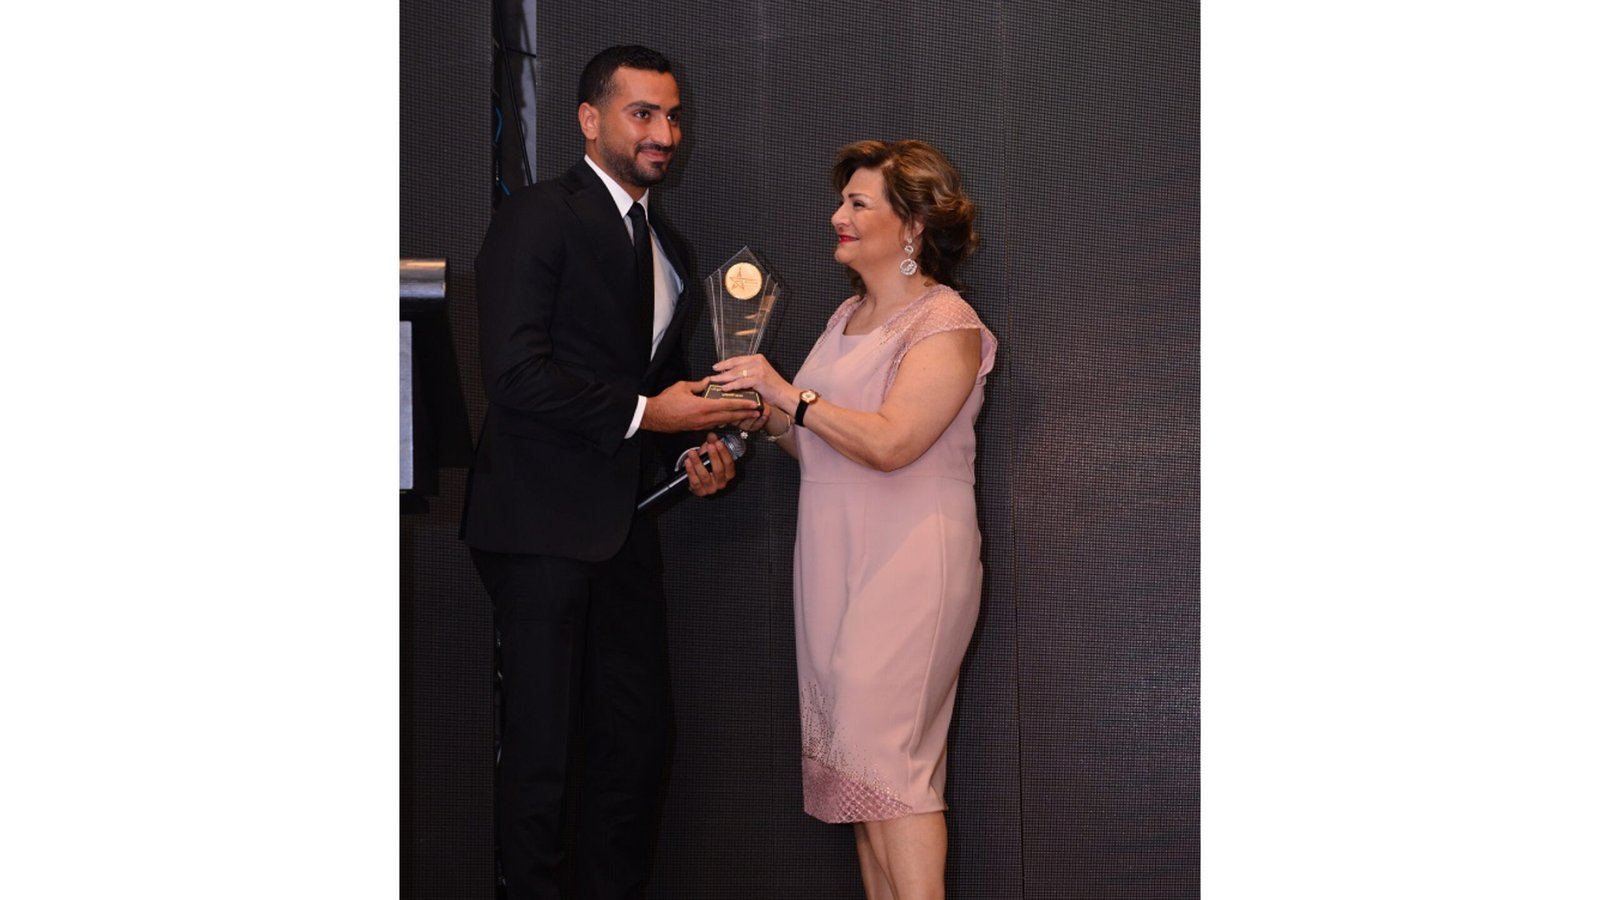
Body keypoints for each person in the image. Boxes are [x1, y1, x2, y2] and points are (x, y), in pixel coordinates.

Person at [460, 45, 760, 900]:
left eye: (673, 116)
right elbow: (514, 375)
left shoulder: (671, 248)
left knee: (635, 747)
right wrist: (650, 415)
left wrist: (691, 453)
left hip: (625, 530)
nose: (664, 132)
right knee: (544, 753)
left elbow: (652, 393)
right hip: (537, 526)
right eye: (643, 113)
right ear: (590, 120)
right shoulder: (536, 217)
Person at [710, 139, 996, 900]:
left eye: (857, 203)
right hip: (832, 560)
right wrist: (764, 414)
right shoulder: (846, 315)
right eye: (841, 201)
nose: (837, 215)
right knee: (858, 780)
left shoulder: (947, 320)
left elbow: (894, 442)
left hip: (910, 562)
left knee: (889, 768)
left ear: (911, 226)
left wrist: (790, 395)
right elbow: (819, 441)